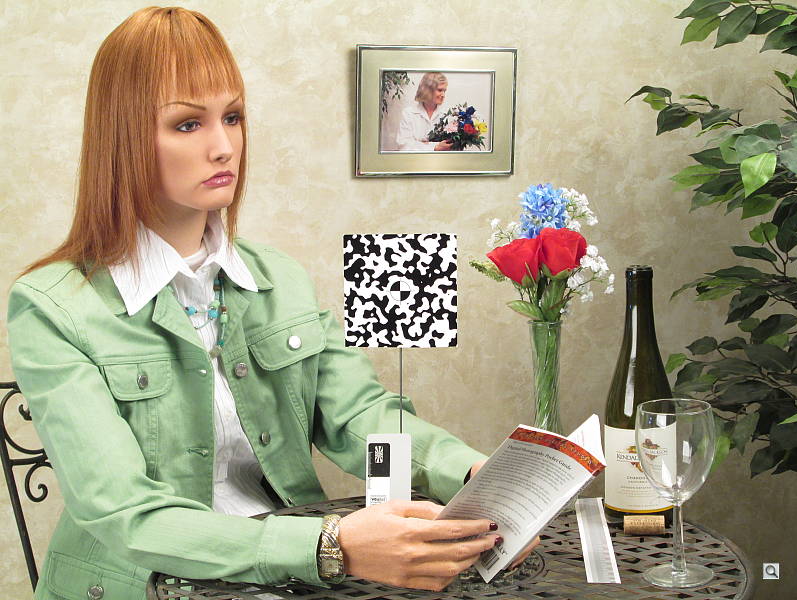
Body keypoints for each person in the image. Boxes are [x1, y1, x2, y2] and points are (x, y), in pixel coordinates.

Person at [5, 7, 537, 600]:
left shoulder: (277, 277)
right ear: (122, 138)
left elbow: (358, 416)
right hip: (148, 585)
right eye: (188, 124)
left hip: (290, 576)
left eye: (232, 117)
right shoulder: (51, 308)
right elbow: (123, 512)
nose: (224, 147)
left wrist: (473, 475)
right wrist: (332, 546)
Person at [395, 72, 454, 151]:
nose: (443, 95)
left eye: (444, 91)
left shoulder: (448, 114)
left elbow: (452, 145)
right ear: (427, 90)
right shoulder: (408, 113)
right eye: (440, 90)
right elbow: (403, 146)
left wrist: (420, 144)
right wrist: (435, 147)